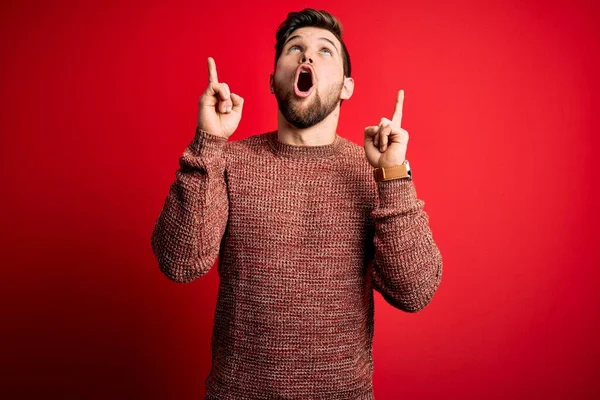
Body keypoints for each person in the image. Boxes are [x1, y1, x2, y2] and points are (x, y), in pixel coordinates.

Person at [151, 8, 443, 400]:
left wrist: (393, 176)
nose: (307, 57)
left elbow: (414, 291)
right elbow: (180, 262)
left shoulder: (373, 172)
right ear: (273, 80)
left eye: (325, 51)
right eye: (295, 49)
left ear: (346, 86)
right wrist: (208, 143)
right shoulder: (231, 161)